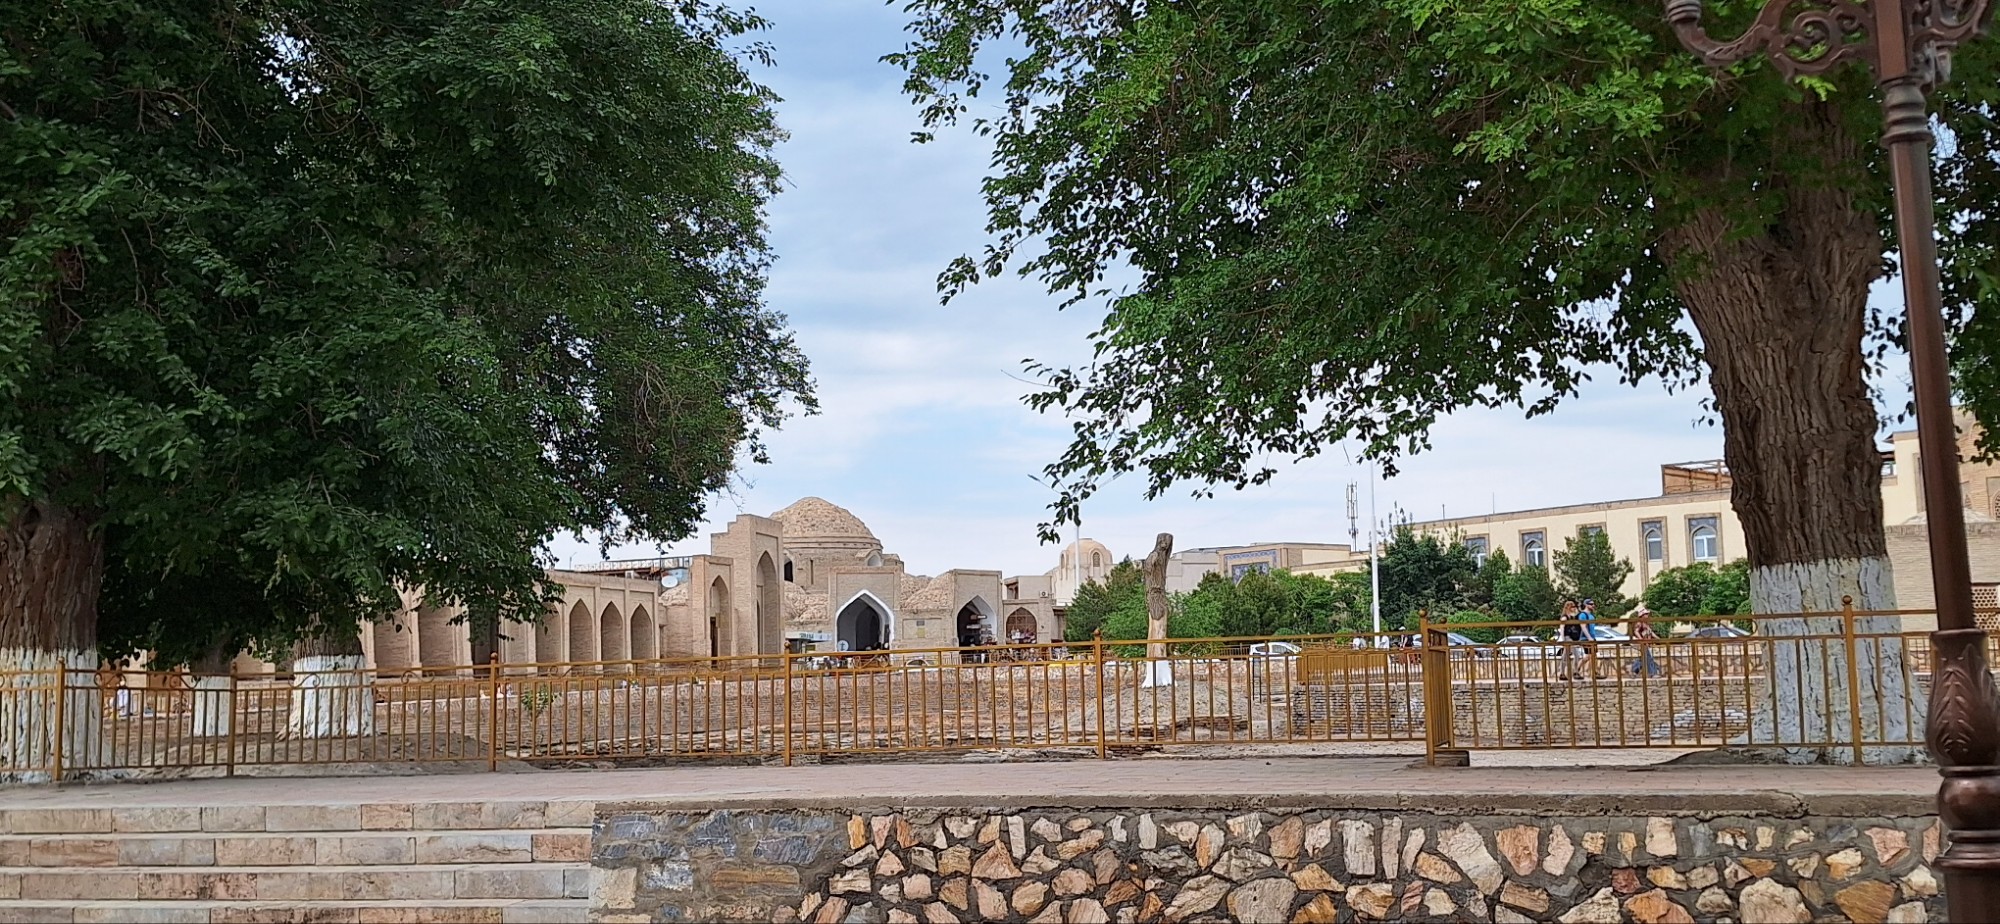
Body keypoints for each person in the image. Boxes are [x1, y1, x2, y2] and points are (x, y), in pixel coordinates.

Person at [1628, 606, 1663, 677]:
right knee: (1649, 657)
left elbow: (1651, 632)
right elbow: (1636, 631)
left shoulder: (1646, 623)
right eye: (1646, 614)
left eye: (1647, 614)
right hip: (1641, 644)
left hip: (1645, 643)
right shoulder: (1639, 623)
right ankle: (1652, 673)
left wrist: (1658, 638)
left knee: (1643, 658)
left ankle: (1634, 670)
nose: (1647, 615)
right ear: (1642, 615)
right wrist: (1641, 639)